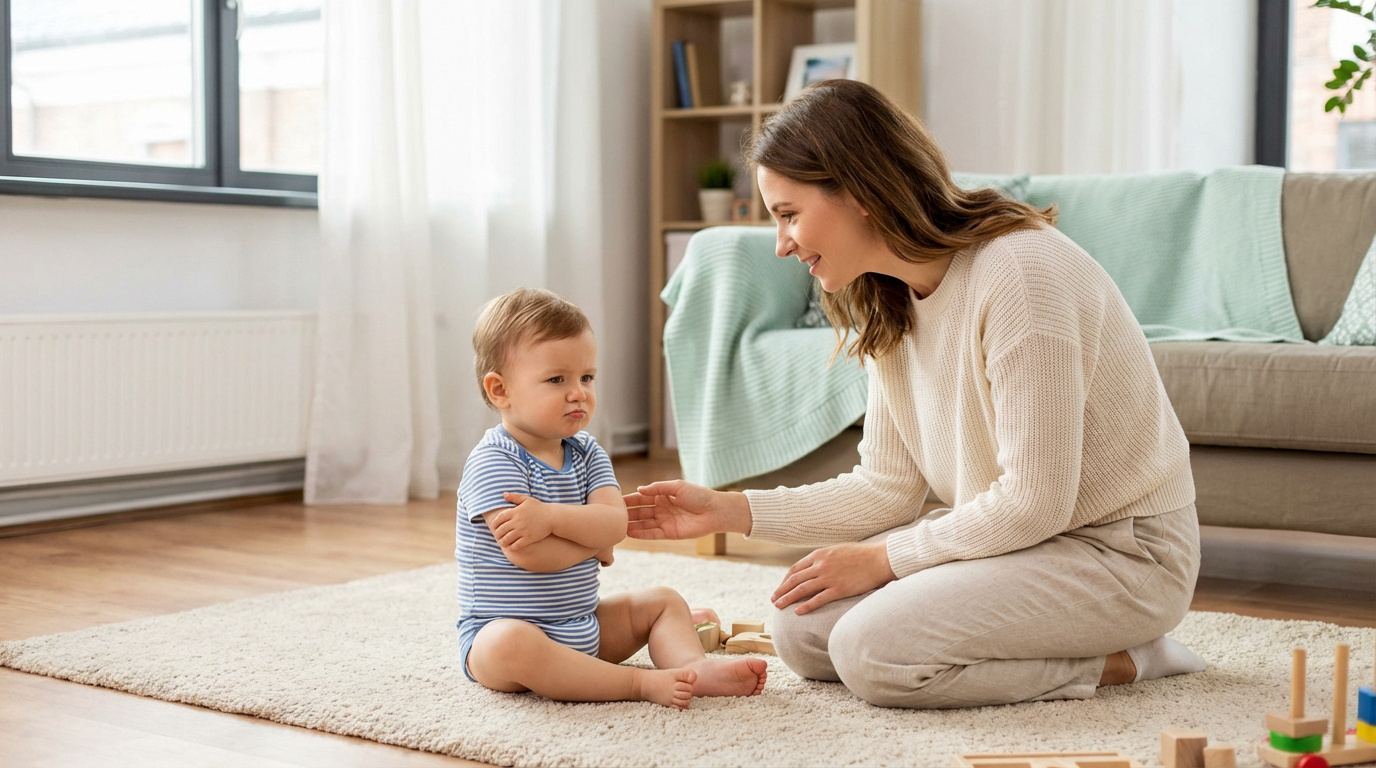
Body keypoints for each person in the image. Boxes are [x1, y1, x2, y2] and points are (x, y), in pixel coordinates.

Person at [625, 80, 1207, 709]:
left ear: (860, 192)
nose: (781, 243)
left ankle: (1128, 658)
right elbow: (887, 487)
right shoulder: (890, 298)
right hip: (1021, 543)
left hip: (1122, 554)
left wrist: (883, 561)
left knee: (873, 654)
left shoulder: (1020, 275)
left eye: (789, 214)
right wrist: (729, 510)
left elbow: (1036, 500)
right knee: (804, 632)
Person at [456, 287, 767, 709]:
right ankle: (636, 685)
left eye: (586, 377)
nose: (578, 392)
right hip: (503, 640)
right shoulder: (494, 461)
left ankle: (695, 667)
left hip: (585, 626)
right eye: (556, 380)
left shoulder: (587, 452)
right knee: (511, 641)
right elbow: (532, 557)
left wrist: (552, 520)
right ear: (500, 390)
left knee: (663, 600)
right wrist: (593, 541)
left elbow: (615, 524)